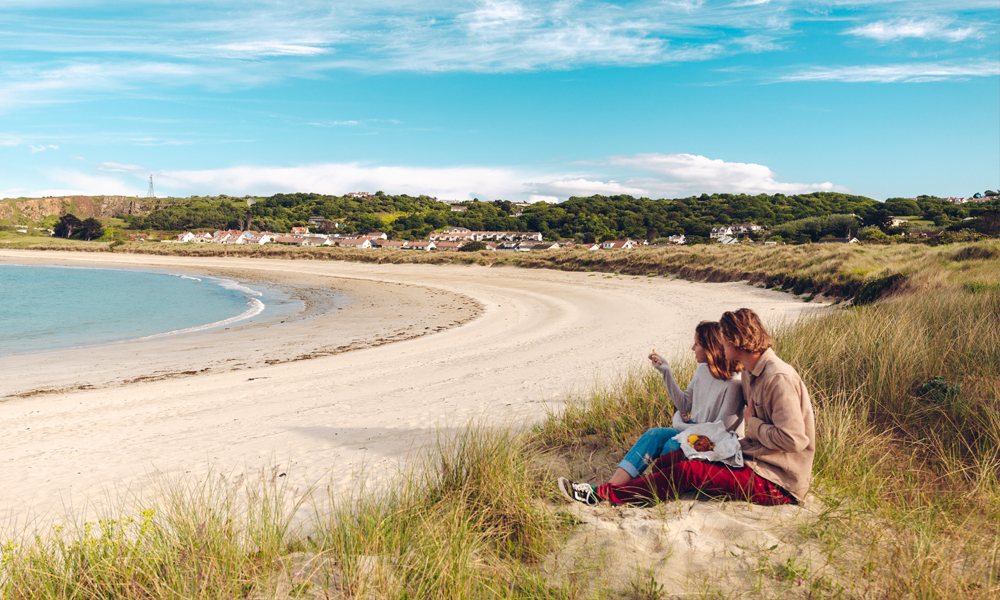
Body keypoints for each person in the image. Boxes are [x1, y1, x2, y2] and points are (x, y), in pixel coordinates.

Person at [559, 308, 815, 507]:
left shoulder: (778, 378)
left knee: (685, 471)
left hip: (778, 482)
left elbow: (795, 440)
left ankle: (603, 496)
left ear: (736, 342)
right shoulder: (751, 373)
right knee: (669, 459)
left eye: (724, 339)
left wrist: (754, 424)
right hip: (750, 460)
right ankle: (620, 488)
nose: (721, 343)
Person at [603, 321, 744, 488]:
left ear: (710, 347)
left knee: (672, 444)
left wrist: (678, 423)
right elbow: (684, 405)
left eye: (697, 344)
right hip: (692, 431)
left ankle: (655, 487)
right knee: (654, 434)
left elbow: (717, 431)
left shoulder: (734, 383)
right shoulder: (702, 369)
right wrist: (666, 372)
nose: (692, 348)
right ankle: (612, 487)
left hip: (717, 444)